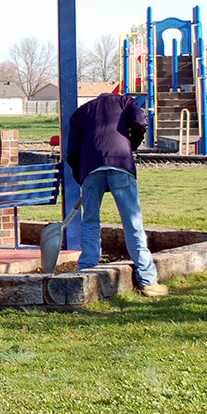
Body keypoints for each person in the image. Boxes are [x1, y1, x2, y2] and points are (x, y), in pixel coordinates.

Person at [66, 93, 169, 297]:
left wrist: (83, 177)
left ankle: (86, 272)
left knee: (90, 221)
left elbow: (72, 152)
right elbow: (140, 123)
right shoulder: (126, 102)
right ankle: (148, 281)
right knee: (132, 222)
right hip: (121, 164)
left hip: (90, 170)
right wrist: (131, 145)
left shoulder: (80, 113)